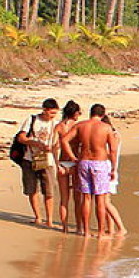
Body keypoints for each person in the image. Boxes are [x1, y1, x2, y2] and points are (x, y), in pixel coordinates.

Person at [61, 104, 118, 239]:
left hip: (84, 162)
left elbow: (64, 140)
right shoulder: (106, 128)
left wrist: (73, 157)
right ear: (103, 115)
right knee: (100, 199)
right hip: (100, 163)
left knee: (86, 198)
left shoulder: (81, 126)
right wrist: (114, 168)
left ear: (90, 113)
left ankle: (86, 231)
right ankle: (100, 232)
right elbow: (113, 150)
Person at [16, 98, 60, 227]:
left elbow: (58, 141)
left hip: (48, 160)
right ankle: (38, 217)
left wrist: (53, 148)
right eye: (51, 113)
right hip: (30, 158)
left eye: (55, 113)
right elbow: (21, 137)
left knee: (49, 190)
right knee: (32, 189)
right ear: (45, 110)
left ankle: (50, 219)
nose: (53, 116)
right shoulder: (32, 120)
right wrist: (35, 143)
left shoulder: (55, 124)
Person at [54, 100, 82, 234]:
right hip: (75, 162)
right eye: (79, 112)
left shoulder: (59, 127)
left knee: (64, 198)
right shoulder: (78, 127)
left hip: (62, 162)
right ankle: (79, 227)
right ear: (75, 113)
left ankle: (64, 227)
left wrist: (55, 164)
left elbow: (54, 148)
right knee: (78, 199)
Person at [101, 115, 127, 236]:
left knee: (105, 202)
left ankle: (121, 227)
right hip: (110, 168)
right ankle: (111, 229)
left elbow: (112, 152)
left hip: (108, 169)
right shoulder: (115, 134)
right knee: (106, 201)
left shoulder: (113, 135)